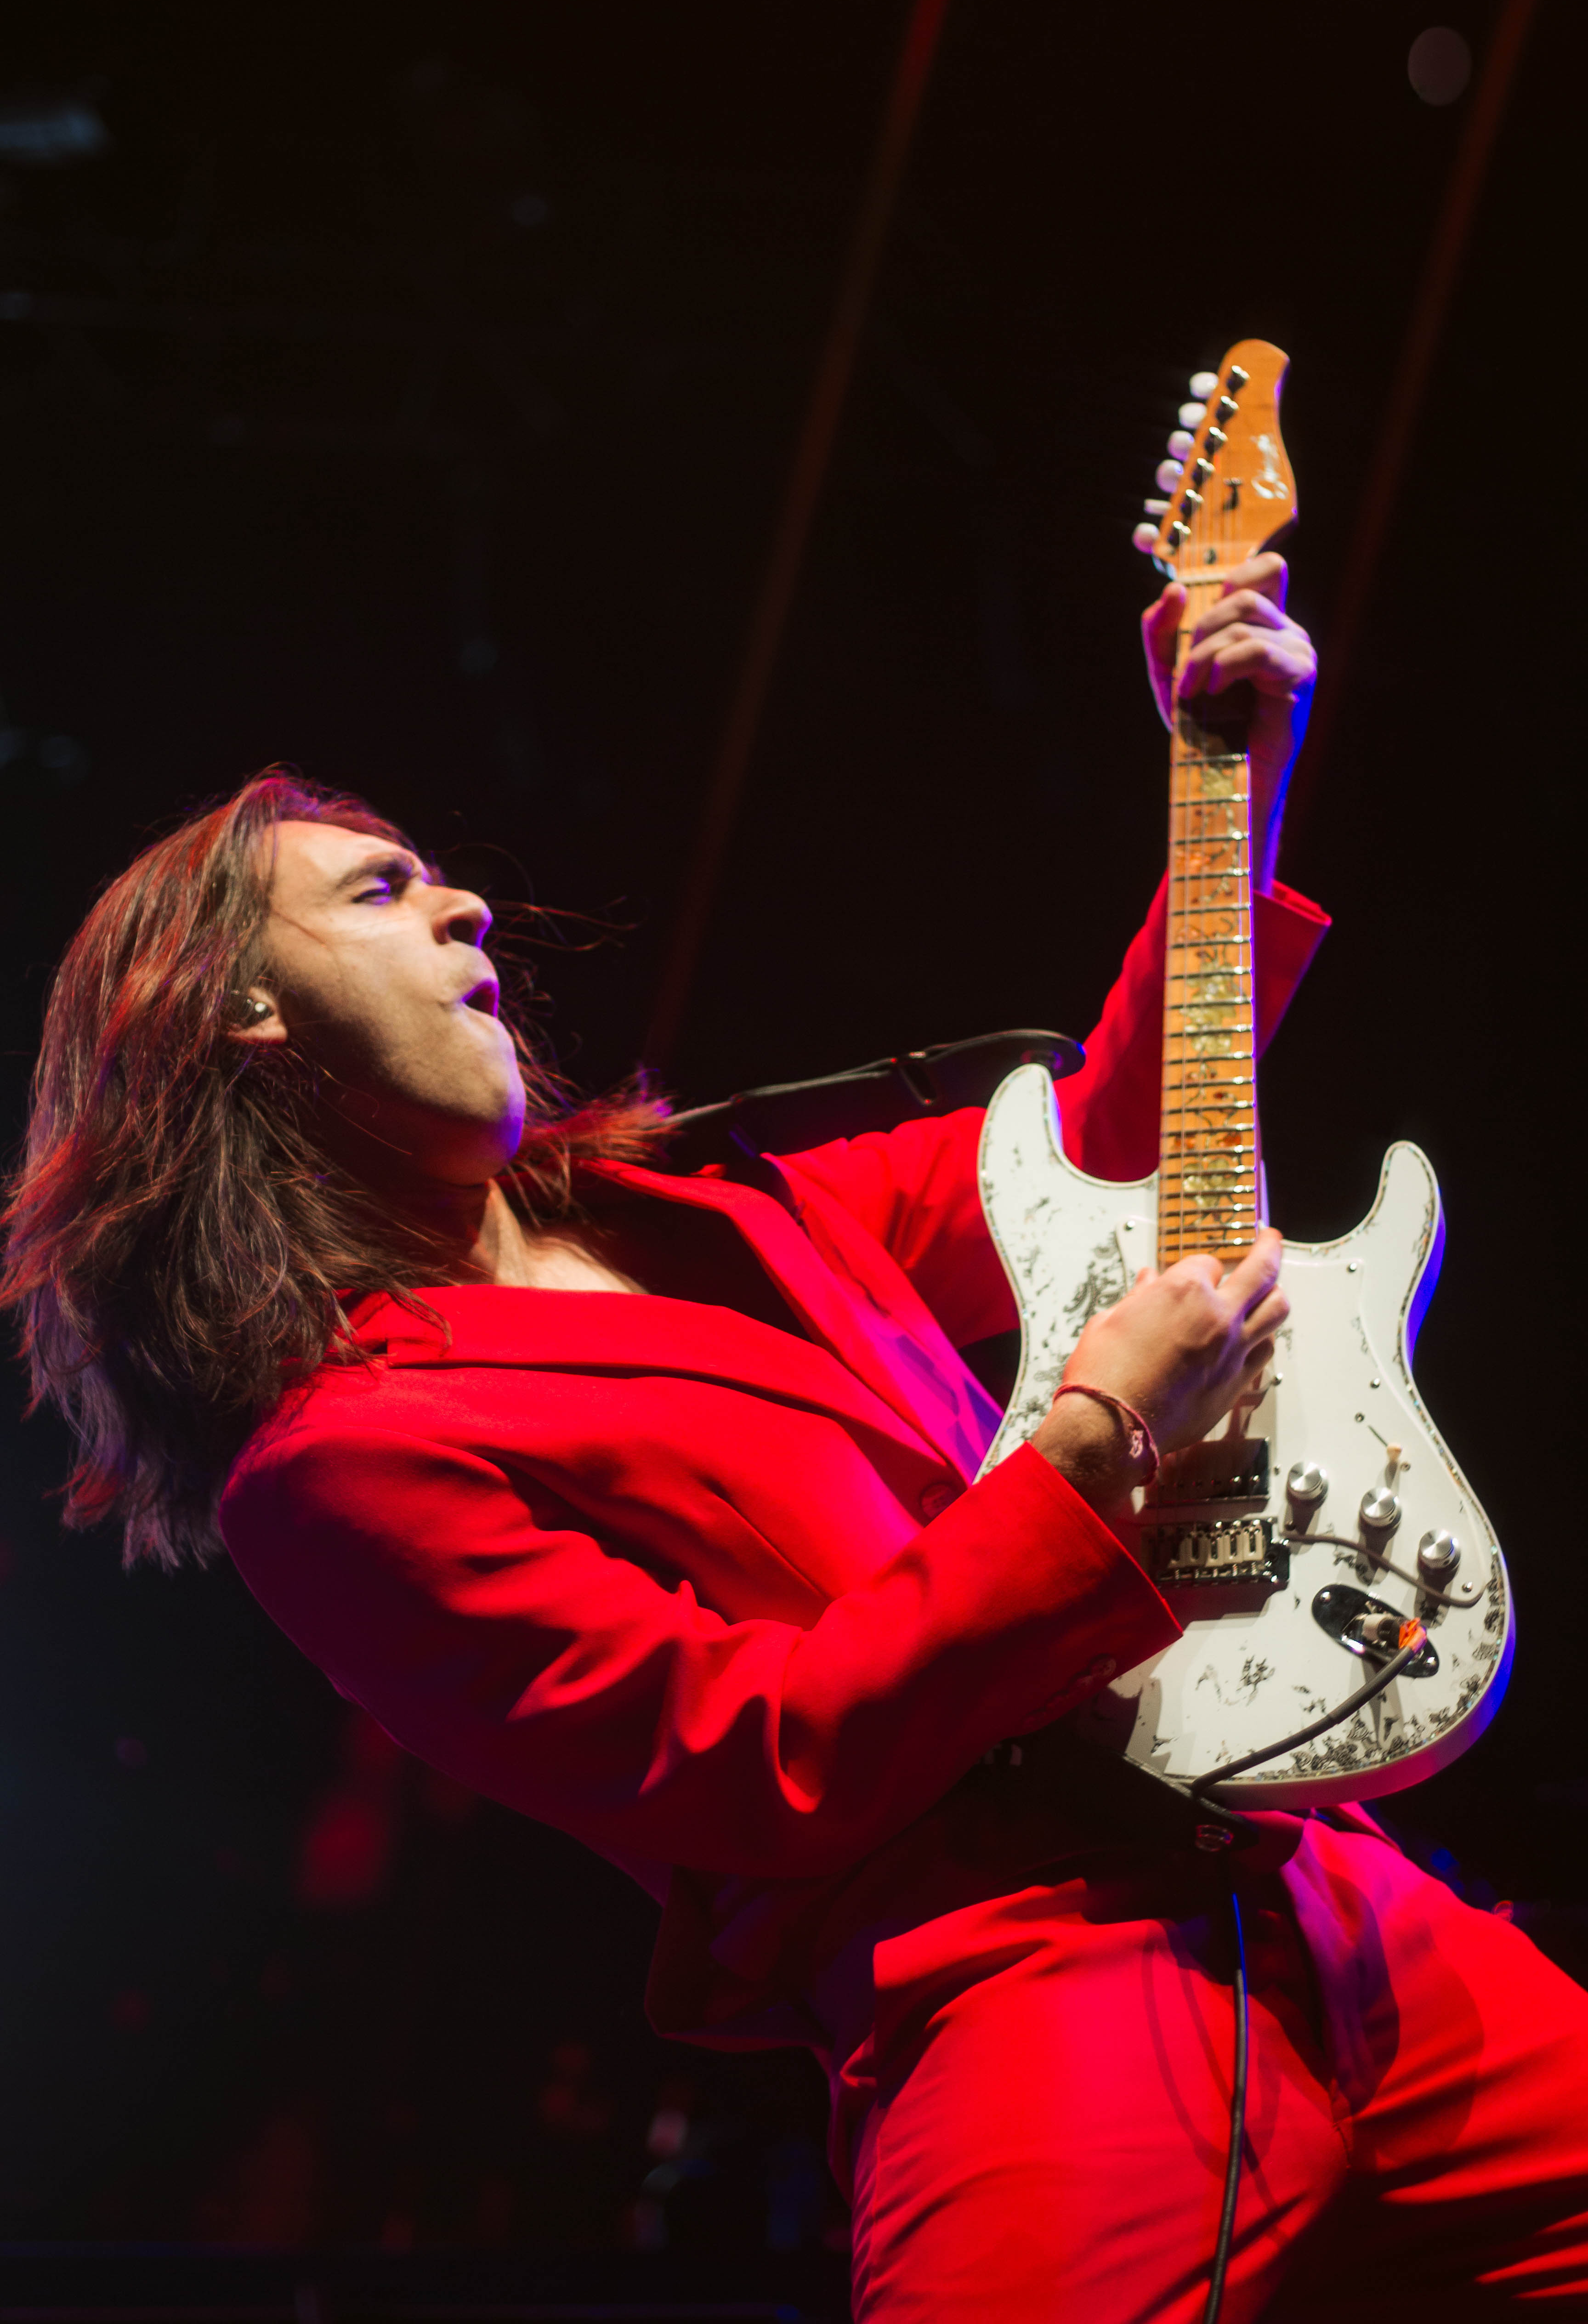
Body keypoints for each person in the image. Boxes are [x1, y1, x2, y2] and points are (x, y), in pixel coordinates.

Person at [5, 560, 1585, 2319]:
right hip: (1035, 1979)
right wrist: (1094, 1442)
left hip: (1340, 1900)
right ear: (240, 1010)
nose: (466, 908)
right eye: (379, 892)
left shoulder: (724, 1214)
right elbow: (754, 1760)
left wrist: (1233, 788)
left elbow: (1105, 1146)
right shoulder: (341, 1461)